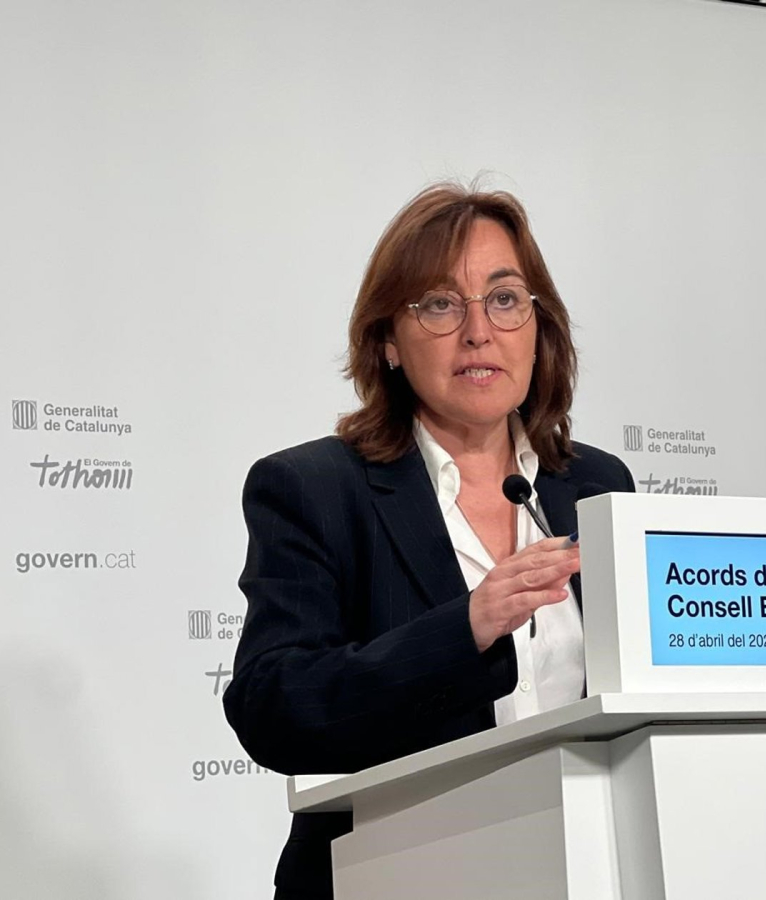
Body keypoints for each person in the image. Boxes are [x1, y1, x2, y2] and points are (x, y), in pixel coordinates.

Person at [222, 183, 634, 900]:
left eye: (504, 298)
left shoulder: (596, 485)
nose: (479, 331)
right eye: (441, 305)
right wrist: (466, 628)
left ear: (539, 326)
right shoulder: (315, 489)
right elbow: (274, 708)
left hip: (584, 871)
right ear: (387, 340)